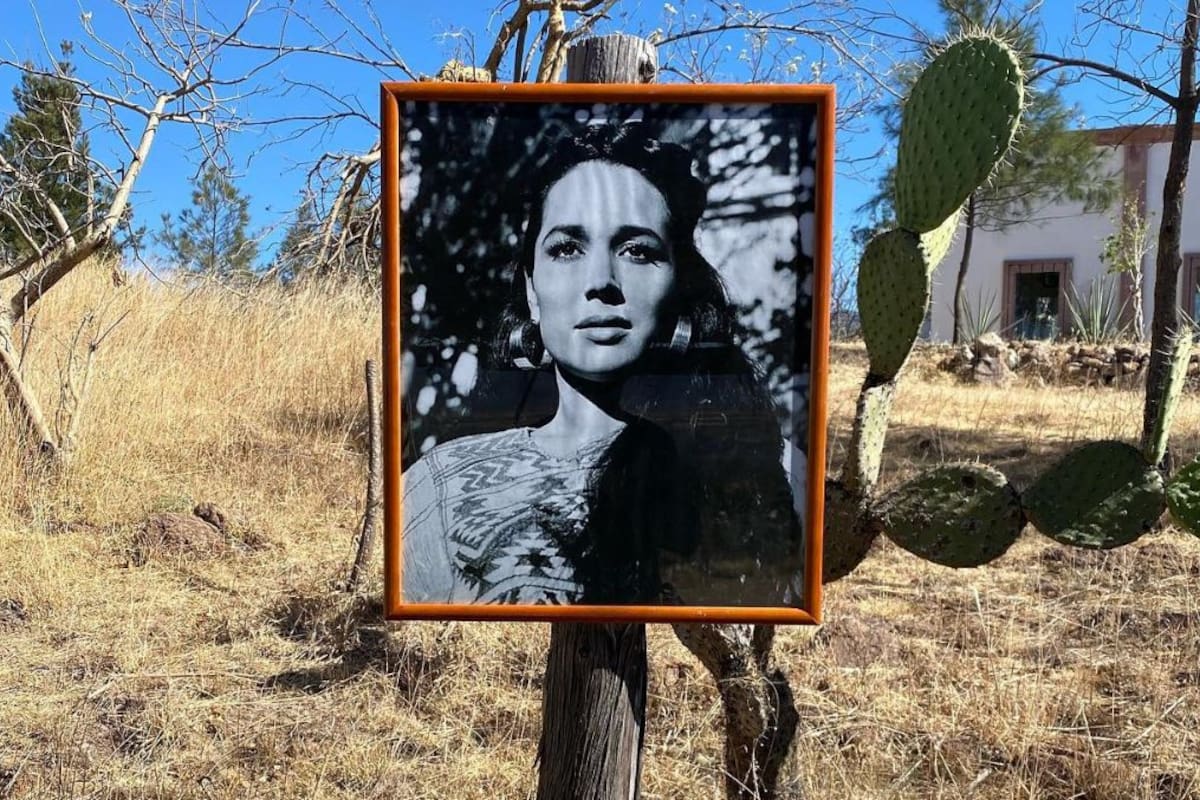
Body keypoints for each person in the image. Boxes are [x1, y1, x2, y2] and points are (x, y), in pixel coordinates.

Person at [402, 123, 801, 606]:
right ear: (531, 289)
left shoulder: (772, 469)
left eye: (637, 251)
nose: (601, 281)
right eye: (567, 248)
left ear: (678, 285)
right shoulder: (437, 486)